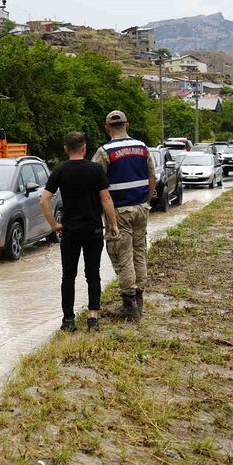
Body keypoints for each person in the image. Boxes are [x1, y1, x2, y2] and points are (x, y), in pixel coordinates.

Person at [41, 132, 119, 332]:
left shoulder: (59, 171)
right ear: (84, 148)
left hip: (70, 232)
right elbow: (106, 199)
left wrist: (54, 225)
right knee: (93, 274)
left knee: (68, 275)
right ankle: (93, 318)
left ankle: (68, 319)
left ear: (66, 149)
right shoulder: (96, 170)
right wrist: (113, 224)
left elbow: (44, 201)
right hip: (93, 230)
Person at [92, 110, 157, 322]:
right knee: (139, 252)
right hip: (141, 208)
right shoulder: (142, 147)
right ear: (127, 125)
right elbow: (152, 175)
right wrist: (147, 201)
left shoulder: (104, 151)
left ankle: (130, 307)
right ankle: (139, 300)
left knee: (122, 256)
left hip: (119, 211)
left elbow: (95, 180)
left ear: (107, 127)